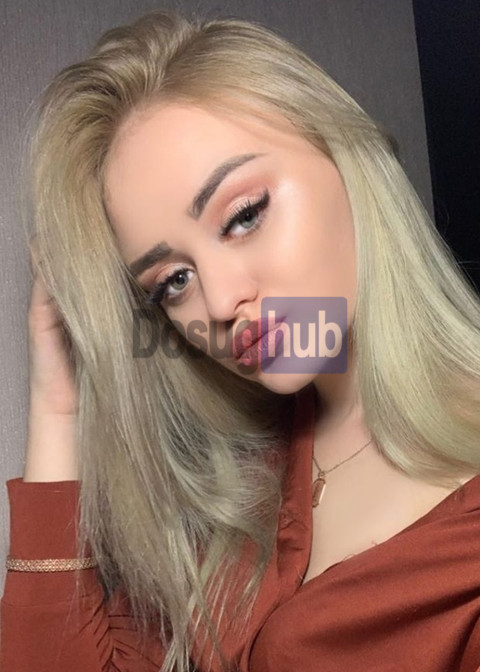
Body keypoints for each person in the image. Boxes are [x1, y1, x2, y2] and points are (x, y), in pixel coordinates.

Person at [2, 7, 480, 672]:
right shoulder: (241, 493)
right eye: (173, 281)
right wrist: (58, 400)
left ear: (348, 159)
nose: (221, 301)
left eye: (244, 215)